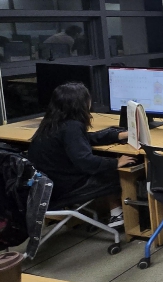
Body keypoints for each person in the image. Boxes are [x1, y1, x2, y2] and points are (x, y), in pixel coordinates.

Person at [27, 83, 134, 227]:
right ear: (81, 104)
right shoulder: (72, 126)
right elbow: (85, 161)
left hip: (45, 186)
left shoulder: (51, 123)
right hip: (63, 189)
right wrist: (116, 163)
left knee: (105, 164)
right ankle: (116, 214)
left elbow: (82, 139)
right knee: (115, 172)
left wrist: (117, 135)